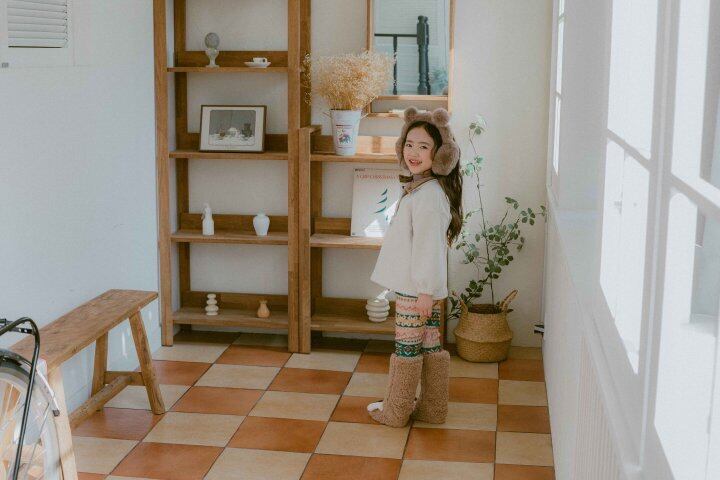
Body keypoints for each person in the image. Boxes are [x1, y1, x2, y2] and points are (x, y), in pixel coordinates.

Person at [367, 106, 463, 427]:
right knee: (429, 345)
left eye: (423, 146)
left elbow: (427, 248)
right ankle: (433, 408)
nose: (413, 152)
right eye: (409, 144)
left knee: (407, 349)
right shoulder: (423, 189)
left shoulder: (428, 196)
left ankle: (396, 412)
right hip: (421, 287)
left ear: (440, 154)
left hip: (415, 289)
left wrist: (424, 291)